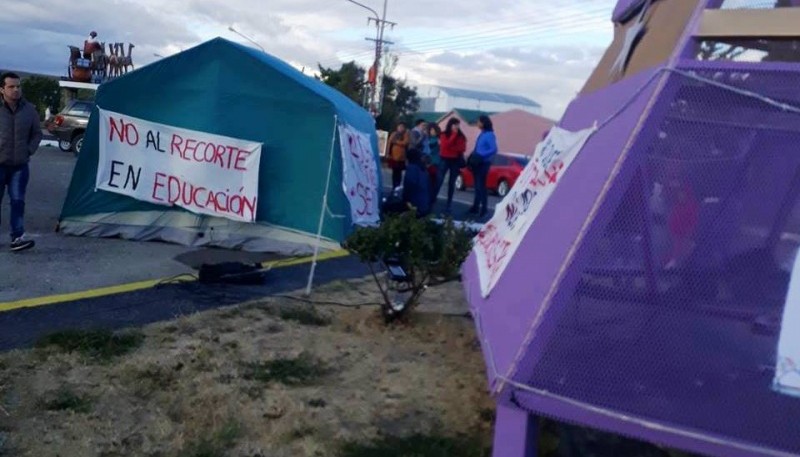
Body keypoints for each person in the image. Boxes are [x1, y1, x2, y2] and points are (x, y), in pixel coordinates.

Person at [0, 72, 42, 251]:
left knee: (18, 201)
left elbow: (37, 134)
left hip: (20, 165)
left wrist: (29, 150)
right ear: (2, 89)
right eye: (11, 86)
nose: (16, 89)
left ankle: (17, 238)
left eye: (18, 86)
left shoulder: (29, 110)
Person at [469, 115, 497, 218]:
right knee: (476, 186)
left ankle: (484, 209)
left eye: (479, 122)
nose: (477, 123)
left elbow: (494, 149)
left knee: (481, 186)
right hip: (477, 162)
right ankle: (475, 207)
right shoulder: (482, 134)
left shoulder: (490, 135)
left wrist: (481, 155)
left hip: (483, 163)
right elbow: (478, 147)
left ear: (483, 123)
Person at [439, 118, 467, 214]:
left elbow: (462, 148)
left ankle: (449, 203)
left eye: (458, 125)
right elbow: (445, 145)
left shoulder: (461, 136)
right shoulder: (444, 134)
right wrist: (453, 135)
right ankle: (432, 198)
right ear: (450, 125)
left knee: (452, 182)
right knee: (440, 179)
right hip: (445, 158)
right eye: (455, 125)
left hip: (455, 160)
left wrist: (452, 148)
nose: (456, 127)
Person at [402, 147, 431, 218]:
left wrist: (405, 199)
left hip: (416, 205)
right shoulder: (423, 169)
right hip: (425, 205)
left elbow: (409, 186)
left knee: (390, 207)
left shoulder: (412, 168)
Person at [387, 122, 410, 189]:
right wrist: (388, 153)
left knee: (399, 172)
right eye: (399, 127)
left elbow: (405, 143)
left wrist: (396, 142)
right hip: (393, 156)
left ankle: (397, 186)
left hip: (401, 157)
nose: (401, 128)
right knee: (394, 172)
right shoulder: (394, 134)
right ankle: (394, 186)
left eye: (402, 127)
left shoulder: (406, 135)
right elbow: (390, 143)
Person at [426, 123, 442, 207]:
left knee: (435, 181)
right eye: (431, 130)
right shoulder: (427, 139)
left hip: (436, 162)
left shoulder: (438, 140)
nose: (433, 132)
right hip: (428, 162)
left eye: (434, 130)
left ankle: (432, 197)